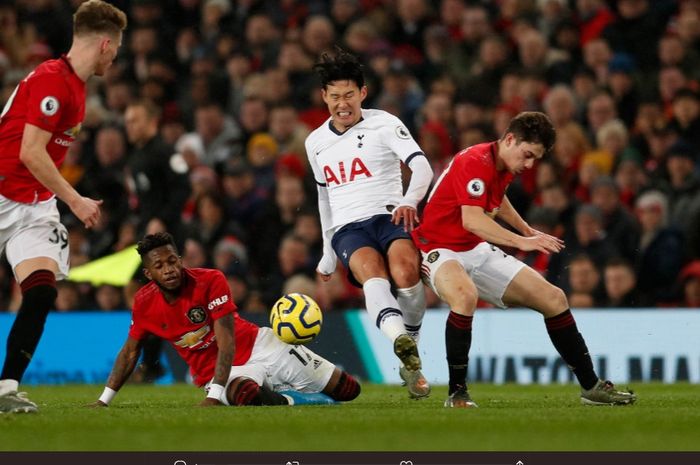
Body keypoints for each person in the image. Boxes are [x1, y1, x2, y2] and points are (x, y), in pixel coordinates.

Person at [412, 111, 637, 407]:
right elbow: (473, 220)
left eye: (535, 159)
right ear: (509, 139)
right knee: (465, 296)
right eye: (528, 155)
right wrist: (523, 242)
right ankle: (457, 393)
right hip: (438, 248)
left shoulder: (500, 163)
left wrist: (527, 228)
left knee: (554, 298)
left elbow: (497, 199)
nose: (529, 165)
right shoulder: (475, 161)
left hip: (473, 248)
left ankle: (591, 387)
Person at [0, 0, 127, 414]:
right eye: (117, 47)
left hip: (33, 204)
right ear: (106, 44)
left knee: (40, 291)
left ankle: (5, 390)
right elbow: (30, 153)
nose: (117, 55)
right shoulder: (54, 80)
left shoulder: (75, 84)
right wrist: (75, 200)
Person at [90, 232, 361, 408]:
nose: (169, 270)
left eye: (172, 261)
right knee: (244, 394)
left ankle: (302, 394)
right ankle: (300, 401)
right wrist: (104, 401)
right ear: (149, 274)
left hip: (259, 346)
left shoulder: (210, 280)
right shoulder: (144, 302)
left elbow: (226, 340)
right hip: (223, 373)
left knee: (349, 390)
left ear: (180, 260)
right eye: (159, 266)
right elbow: (130, 352)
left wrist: (213, 396)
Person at [305, 48, 433, 399]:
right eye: (334, 97)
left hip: (391, 214)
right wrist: (327, 251)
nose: (342, 104)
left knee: (406, 271)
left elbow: (422, 168)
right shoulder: (315, 142)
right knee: (371, 273)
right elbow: (323, 199)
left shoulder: (385, 123)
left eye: (349, 95)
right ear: (324, 97)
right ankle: (400, 341)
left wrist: (409, 200)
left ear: (363, 92)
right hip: (349, 227)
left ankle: (412, 353)